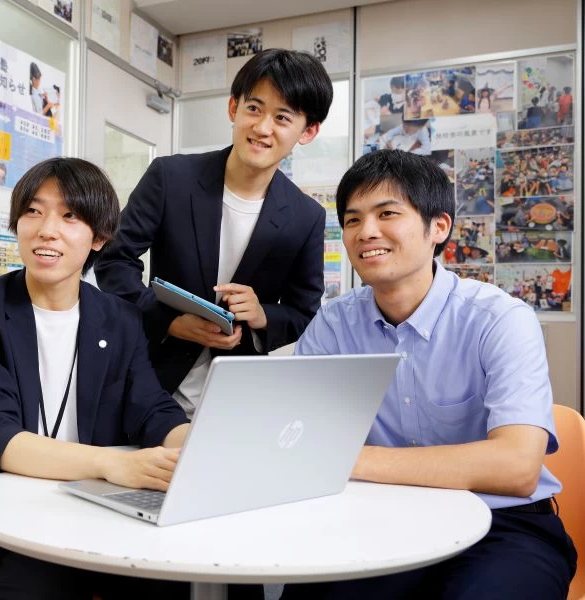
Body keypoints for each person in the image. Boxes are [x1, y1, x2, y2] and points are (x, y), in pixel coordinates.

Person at [281, 150, 577, 599]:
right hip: (382, 519)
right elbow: (293, 434)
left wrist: (350, 459)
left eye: (387, 214)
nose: (367, 232)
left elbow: (516, 468)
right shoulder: (333, 324)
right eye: (353, 219)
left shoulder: (500, 319)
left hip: (505, 526)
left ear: (439, 226)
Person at [0, 157, 191, 600]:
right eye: (33, 212)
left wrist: (192, 444)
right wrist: (112, 464)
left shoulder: (119, 318)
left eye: (70, 216)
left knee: (172, 582)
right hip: (6, 524)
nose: (46, 229)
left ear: (99, 237)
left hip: (100, 516)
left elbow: (152, 408)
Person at [95, 49, 332, 422]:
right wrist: (167, 320)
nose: (263, 127)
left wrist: (261, 316)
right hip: (148, 381)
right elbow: (114, 259)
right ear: (233, 108)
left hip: (239, 399)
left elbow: (303, 311)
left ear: (308, 131)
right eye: (254, 108)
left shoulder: (306, 217)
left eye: (282, 117)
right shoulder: (171, 178)